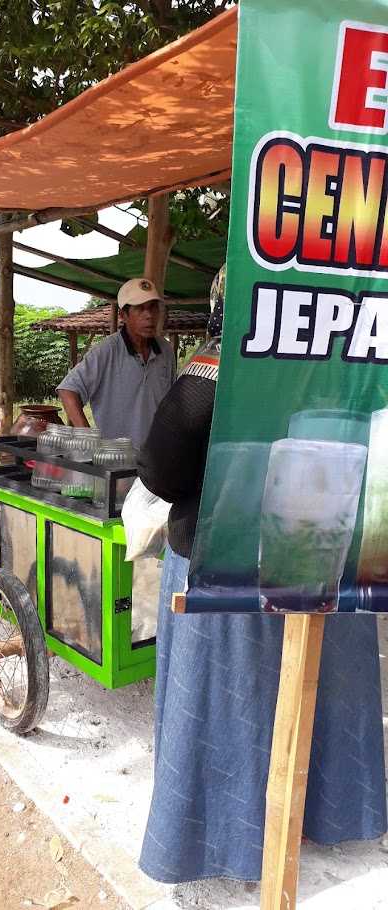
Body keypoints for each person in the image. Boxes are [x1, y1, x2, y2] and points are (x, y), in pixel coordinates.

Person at [137, 270, 387, 885]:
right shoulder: (353, 362)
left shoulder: (214, 371)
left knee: (236, 707)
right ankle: (331, 816)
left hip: (232, 578)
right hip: (332, 563)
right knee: (327, 695)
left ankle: (233, 845)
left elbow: (163, 469)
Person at [57, 278, 176, 450]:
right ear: (123, 315)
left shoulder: (165, 351)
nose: (149, 315)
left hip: (155, 457)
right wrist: (89, 439)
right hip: (116, 459)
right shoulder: (108, 350)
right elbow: (68, 390)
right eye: (140, 309)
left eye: (153, 307)